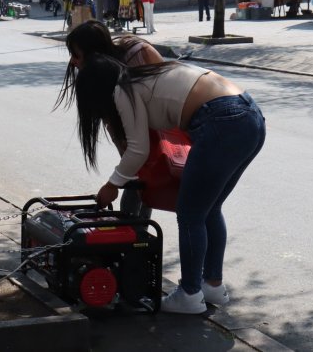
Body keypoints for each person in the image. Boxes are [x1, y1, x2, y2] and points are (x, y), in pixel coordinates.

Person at [72, 54, 266, 314]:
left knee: (190, 214)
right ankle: (212, 285)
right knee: (210, 209)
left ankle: (189, 294)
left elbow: (137, 150)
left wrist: (112, 185)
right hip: (250, 115)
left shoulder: (122, 90)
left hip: (222, 120)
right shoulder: (146, 75)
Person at [59, 20, 165, 218]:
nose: (73, 61)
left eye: (76, 54)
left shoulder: (137, 55)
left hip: (163, 127)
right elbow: (114, 127)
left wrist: (114, 183)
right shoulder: (101, 75)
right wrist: (125, 173)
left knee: (186, 207)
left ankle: (134, 236)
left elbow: (164, 93)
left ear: (93, 53)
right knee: (135, 177)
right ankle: (131, 235)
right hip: (138, 135)